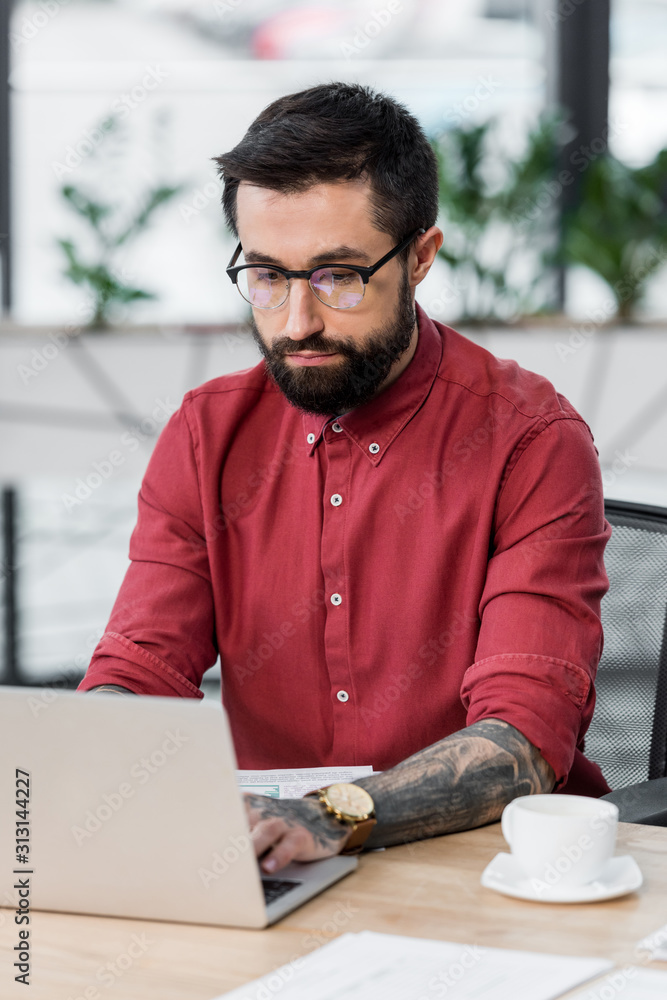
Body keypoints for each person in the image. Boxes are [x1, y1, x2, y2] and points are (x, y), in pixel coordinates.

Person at [79, 82, 611, 874]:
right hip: (267, 860)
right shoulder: (205, 434)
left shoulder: (529, 440)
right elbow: (139, 671)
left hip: (490, 869)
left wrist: (328, 818)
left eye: (337, 276)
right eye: (266, 276)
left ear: (421, 256)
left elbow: (524, 738)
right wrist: (79, 762)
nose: (297, 322)